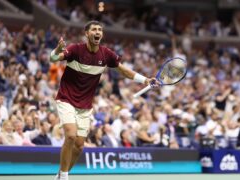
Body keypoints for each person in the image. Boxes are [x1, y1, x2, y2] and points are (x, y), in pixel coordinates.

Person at [50, 20, 159, 180]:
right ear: (87, 33)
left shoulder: (106, 54)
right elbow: (53, 59)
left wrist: (145, 80)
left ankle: (61, 174)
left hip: (85, 105)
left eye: (100, 30)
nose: (98, 32)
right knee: (71, 136)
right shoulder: (75, 49)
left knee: (79, 146)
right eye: (94, 29)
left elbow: (124, 70)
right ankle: (64, 177)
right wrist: (56, 50)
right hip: (66, 98)